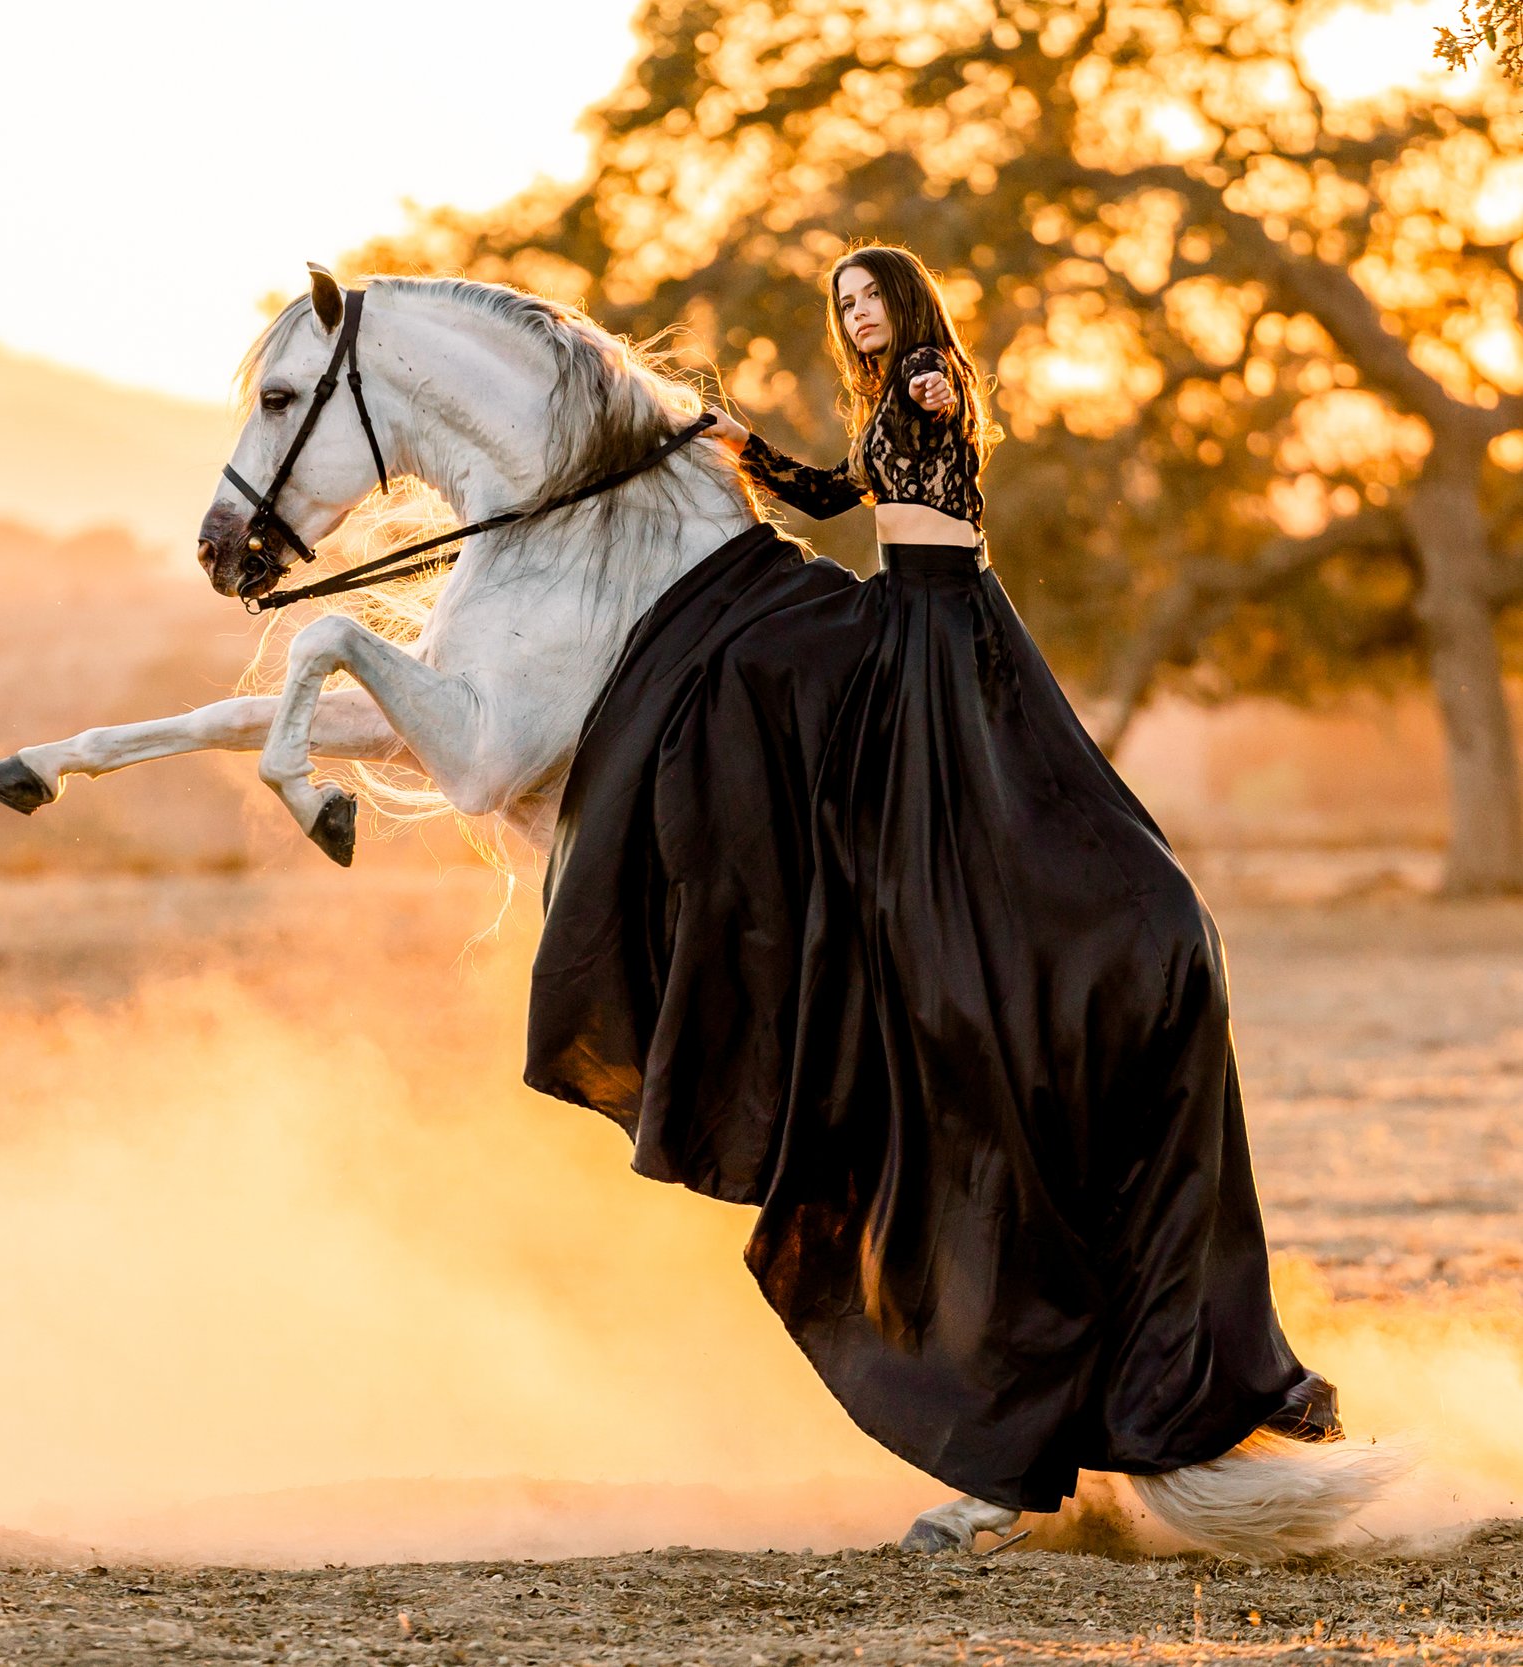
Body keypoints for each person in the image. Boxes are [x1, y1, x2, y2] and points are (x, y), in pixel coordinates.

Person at [525, 243, 1340, 1530]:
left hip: (943, 624)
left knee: (777, 660)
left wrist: (921, 388)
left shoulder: (923, 376)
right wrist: (729, 441)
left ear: (904, 308)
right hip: (897, 609)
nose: (855, 320)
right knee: (757, 643)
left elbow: (928, 432)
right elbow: (829, 495)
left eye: (868, 300)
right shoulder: (876, 408)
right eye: (840, 306)